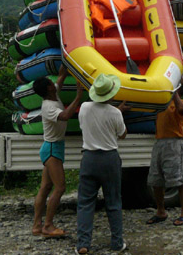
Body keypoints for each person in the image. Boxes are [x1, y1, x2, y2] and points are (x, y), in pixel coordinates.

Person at [75, 73, 128, 255]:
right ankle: (117, 243)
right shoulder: (115, 113)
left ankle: (83, 244)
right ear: (110, 94)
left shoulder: (84, 107)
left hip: (89, 158)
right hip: (109, 159)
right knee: (113, 201)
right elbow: (122, 134)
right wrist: (119, 111)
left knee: (85, 203)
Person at [31, 64, 84, 237]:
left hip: (51, 147)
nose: (54, 83)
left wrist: (67, 63)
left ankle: (37, 226)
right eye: (50, 83)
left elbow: (60, 76)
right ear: (48, 88)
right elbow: (65, 116)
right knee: (60, 187)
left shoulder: (53, 94)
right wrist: (78, 96)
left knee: (45, 187)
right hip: (53, 149)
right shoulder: (48, 107)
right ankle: (48, 226)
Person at [146, 79, 183, 226]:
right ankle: (161, 211)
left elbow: (180, 111)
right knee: (156, 180)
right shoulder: (162, 104)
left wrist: (173, 92)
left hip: (174, 143)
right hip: (159, 143)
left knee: (179, 180)